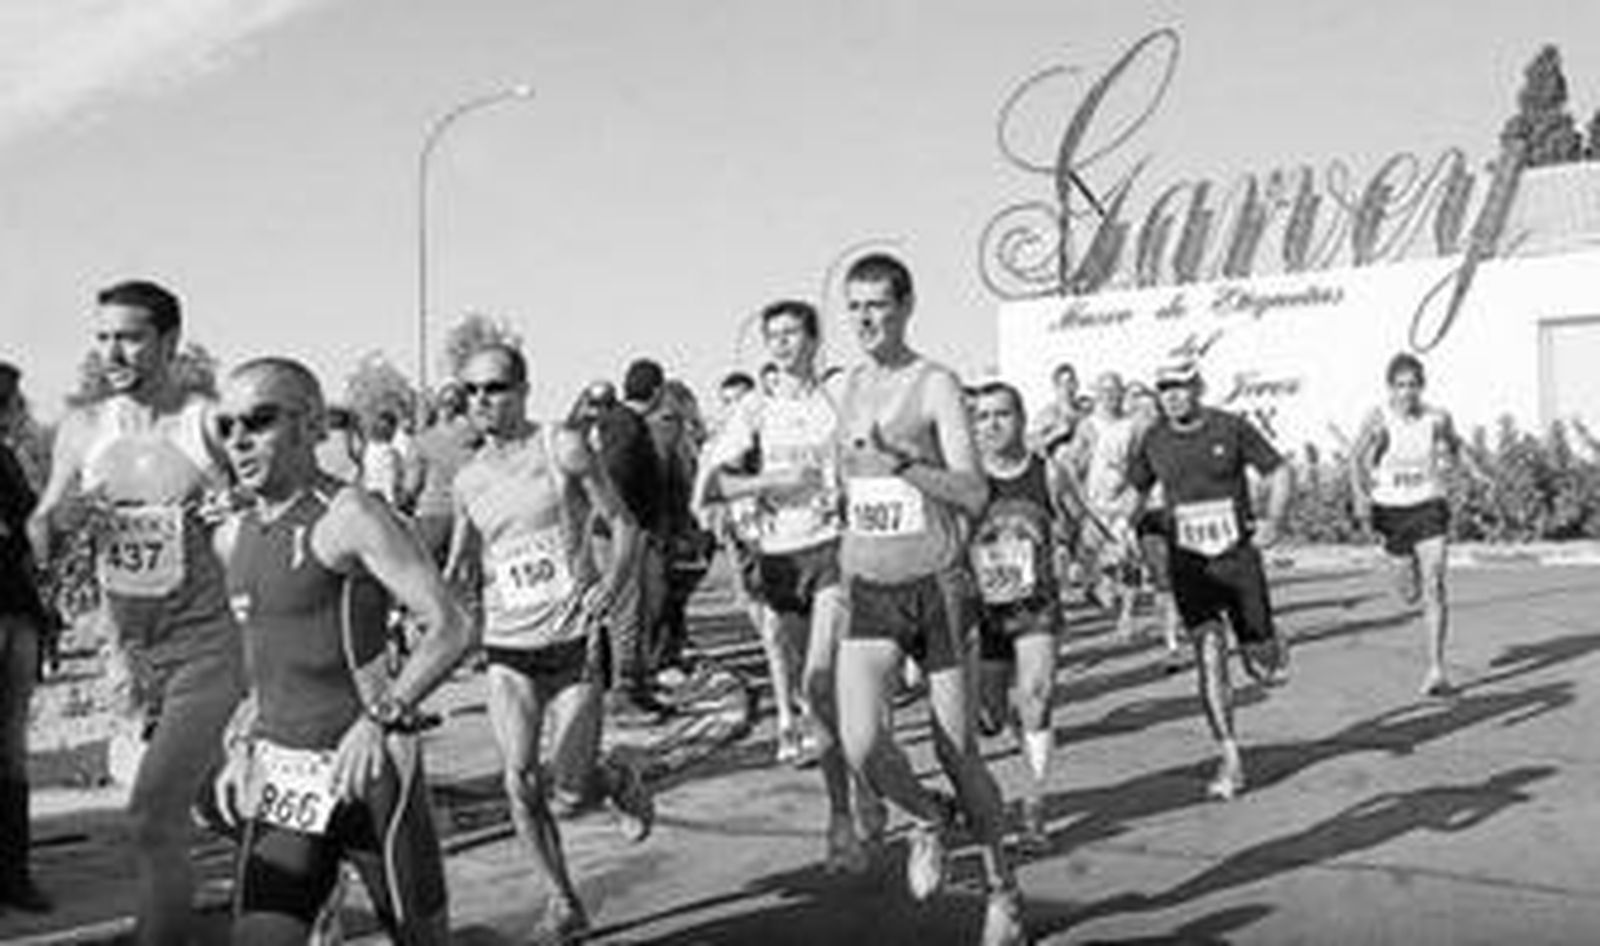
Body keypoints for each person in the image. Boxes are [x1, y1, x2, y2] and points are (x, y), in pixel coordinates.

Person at [209, 357, 470, 944]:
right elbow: (265, 665)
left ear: (307, 425)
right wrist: (239, 742)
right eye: (226, 427)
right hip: (285, 780)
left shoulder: (351, 516)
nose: (238, 440)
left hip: (371, 775)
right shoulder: (232, 537)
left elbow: (451, 626)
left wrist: (379, 718)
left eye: (258, 421)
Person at [28, 280, 245, 944]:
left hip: (206, 647)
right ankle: (303, 857)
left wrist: (230, 510)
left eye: (128, 337)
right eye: (102, 337)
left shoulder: (207, 422)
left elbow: (263, 511)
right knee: (207, 805)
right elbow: (43, 527)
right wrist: (56, 523)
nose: (111, 352)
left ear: (170, 342)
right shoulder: (83, 428)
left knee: (151, 817)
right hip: (127, 656)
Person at [831, 254, 1024, 945]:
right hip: (870, 588)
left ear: (907, 306)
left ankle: (1002, 890)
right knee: (861, 743)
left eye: (878, 304)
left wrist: (905, 466)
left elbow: (975, 491)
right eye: (853, 306)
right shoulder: (849, 388)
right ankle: (926, 819)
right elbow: (854, 488)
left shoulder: (935, 384)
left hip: (937, 586)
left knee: (957, 752)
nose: (864, 318)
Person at [445, 344, 653, 941]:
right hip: (508, 647)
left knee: (567, 795)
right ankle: (561, 899)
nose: (482, 401)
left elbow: (626, 527)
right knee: (518, 781)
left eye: (495, 388)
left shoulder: (560, 447)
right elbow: (463, 562)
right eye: (471, 393)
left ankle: (612, 780)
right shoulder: (467, 479)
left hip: (573, 641)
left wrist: (610, 590)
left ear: (524, 389)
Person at [701, 300, 882, 872]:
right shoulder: (755, 407)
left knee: (819, 680)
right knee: (818, 700)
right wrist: (768, 480)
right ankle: (847, 803)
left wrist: (850, 486)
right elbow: (711, 487)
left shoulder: (838, 397)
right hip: (780, 559)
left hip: (834, 550)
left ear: (813, 338)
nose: (781, 344)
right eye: (772, 335)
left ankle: (848, 813)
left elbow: (872, 456)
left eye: (791, 333)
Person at [1126, 359, 1292, 801]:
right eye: (1165, 388)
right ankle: (1230, 756)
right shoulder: (1154, 439)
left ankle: (1270, 645)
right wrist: (1118, 532)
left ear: (1198, 386)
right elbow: (1136, 493)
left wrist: (1274, 519)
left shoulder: (1230, 428)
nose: (1173, 395)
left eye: (1180, 386)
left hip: (1237, 561)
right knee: (1209, 654)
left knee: (1262, 664)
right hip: (1190, 564)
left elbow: (1278, 471)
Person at [968, 380, 1084, 852]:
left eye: (1002, 414)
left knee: (1036, 696)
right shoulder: (968, 477)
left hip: (1036, 606)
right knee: (989, 716)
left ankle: (1035, 808)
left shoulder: (1048, 472)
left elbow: (1075, 520)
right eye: (983, 416)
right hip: (985, 609)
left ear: (1020, 419)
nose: (992, 424)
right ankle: (1016, 736)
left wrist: (1071, 555)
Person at [1349, 352, 1486, 697]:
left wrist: (1476, 472)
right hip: (1391, 510)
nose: (1406, 392)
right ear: (1390, 388)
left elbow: (1456, 445)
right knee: (1409, 593)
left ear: (1421, 387)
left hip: (1429, 504)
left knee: (1434, 579)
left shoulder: (1437, 417)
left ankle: (1436, 668)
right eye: (1400, 386)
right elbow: (1354, 458)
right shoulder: (1378, 418)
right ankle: (1401, 573)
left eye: (1412, 385)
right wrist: (1360, 495)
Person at [587, 370, 672, 720]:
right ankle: (623, 693)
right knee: (626, 614)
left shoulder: (621, 422)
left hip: (622, 529)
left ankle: (635, 686)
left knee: (635, 612)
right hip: (620, 533)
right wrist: (624, 523)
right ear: (656, 391)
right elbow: (616, 475)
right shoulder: (627, 426)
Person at [0, 361, 52, 913]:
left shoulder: (8, 458)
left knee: (11, 752)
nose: (22, 408)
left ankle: (14, 874)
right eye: (15, 399)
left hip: (17, 613)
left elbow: (26, 529)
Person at [1069, 371, 1142, 639]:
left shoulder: (1132, 425)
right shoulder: (1088, 425)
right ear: (1097, 394)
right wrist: (1080, 497)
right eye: (1104, 391)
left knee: (1130, 560)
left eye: (1115, 390)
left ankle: (1127, 616)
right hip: (1095, 504)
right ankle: (1097, 587)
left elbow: (1138, 461)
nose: (1110, 396)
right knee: (1095, 562)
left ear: (1122, 393)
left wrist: (1134, 492)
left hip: (1123, 503)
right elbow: (1073, 465)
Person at [1124, 381, 1182, 670]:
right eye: (1139, 410)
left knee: (1192, 577)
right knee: (1162, 582)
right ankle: (1171, 643)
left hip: (1181, 516)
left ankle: (1205, 630)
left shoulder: (1174, 437)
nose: (1145, 415)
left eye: (1150, 409)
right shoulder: (1125, 441)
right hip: (1147, 518)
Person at [410, 381, 481, 568]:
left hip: (431, 514)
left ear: (437, 405)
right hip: (469, 516)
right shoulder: (476, 439)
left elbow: (413, 484)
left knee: (426, 579)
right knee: (467, 585)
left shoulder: (423, 440)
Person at [360, 410, 404, 508]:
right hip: (382, 499)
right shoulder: (391, 453)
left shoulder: (368, 447)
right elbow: (390, 479)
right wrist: (392, 502)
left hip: (367, 495)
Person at [315, 406, 364, 484]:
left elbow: (356, 455)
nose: (333, 418)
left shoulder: (351, 436)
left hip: (344, 478)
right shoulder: (320, 435)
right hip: (324, 475)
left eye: (337, 415)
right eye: (331, 414)